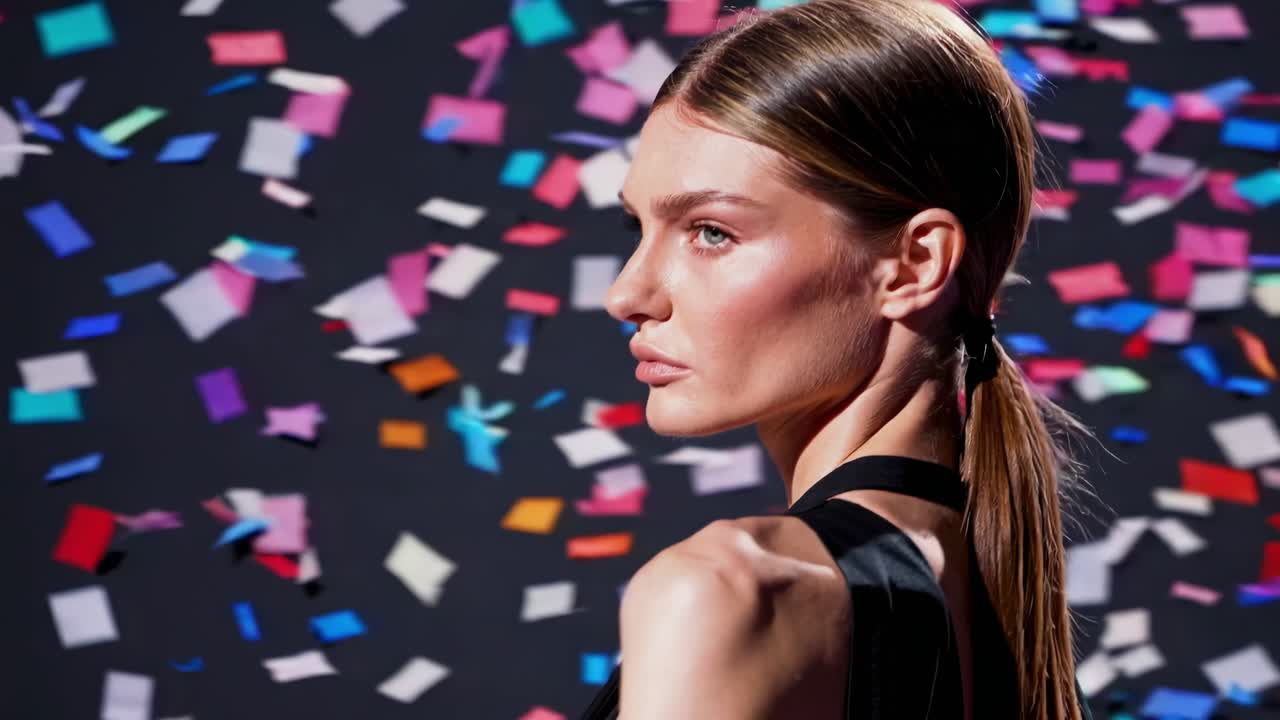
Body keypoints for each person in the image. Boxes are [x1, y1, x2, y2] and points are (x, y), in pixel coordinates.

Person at [580, 0, 1099, 718]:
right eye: (638, 227)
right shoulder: (990, 605)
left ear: (915, 263)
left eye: (711, 232)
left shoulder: (724, 593)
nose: (627, 293)